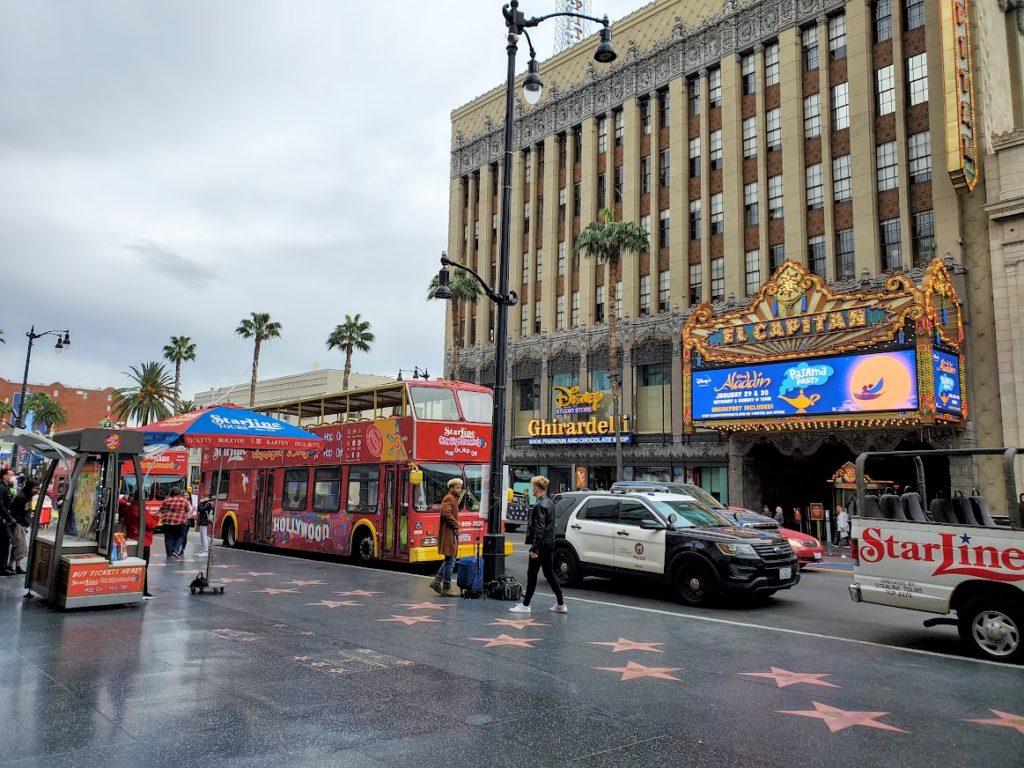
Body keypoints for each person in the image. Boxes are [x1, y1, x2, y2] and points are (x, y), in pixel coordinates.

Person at [510, 475, 566, 614]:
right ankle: (560, 603)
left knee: (532, 574)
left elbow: (539, 528)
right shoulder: (550, 502)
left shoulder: (540, 505)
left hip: (541, 544)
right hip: (549, 542)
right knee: (549, 573)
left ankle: (525, 604)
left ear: (536, 487)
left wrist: (534, 547)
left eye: (533, 486)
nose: (532, 489)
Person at [121, 491, 159, 599]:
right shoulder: (140, 510)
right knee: (144, 566)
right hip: (143, 541)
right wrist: (157, 517)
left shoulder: (130, 507)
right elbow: (151, 524)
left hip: (132, 537)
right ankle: (143, 591)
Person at [429, 478, 462, 596]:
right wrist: (457, 525)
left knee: (449, 559)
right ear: (451, 488)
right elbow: (446, 514)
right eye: (457, 487)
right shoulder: (449, 498)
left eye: (460, 488)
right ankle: (446, 588)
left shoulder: (453, 498)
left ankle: (436, 582)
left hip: (450, 533)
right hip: (448, 534)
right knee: (451, 560)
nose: (459, 490)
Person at [8, 480, 38, 575]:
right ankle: (17, 567)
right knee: (21, 546)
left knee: (17, 546)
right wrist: (22, 522)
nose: (37, 490)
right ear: (29, 487)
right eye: (35, 488)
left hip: (22, 524)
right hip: (19, 524)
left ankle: (11, 565)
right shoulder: (22, 497)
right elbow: (15, 511)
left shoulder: (27, 496)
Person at [158, 487, 191, 559]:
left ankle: (169, 554)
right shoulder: (184, 501)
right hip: (180, 521)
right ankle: (175, 550)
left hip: (167, 521)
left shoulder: (166, 500)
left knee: (168, 537)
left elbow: (161, 510)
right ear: (180, 493)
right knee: (180, 536)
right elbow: (187, 509)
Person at [0, 468, 17, 576]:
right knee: (5, 542)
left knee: (5, 542)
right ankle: (2, 568)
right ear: (4, 476)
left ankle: (3, 567)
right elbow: (1, 506)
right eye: (11, 475)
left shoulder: (7, 487)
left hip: (4, 518)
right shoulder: (1, 487)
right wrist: (10, 518)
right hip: (2, 520)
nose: (12, 477)